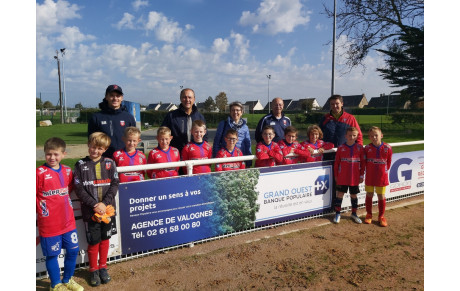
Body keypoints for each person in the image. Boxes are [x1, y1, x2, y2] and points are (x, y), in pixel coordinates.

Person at [36, 138, 84, 291]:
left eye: (56, 154)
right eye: (48, 154)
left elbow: (69, 189)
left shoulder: (67, 170)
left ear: (64, 154)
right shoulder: (38, 173)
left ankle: (68, 279)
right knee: (52, 255)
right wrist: (43, 209)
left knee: (72, 251)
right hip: (49, 224)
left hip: (68, 221)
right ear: (44, 154)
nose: (52, 158)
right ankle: (55, 284)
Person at [74, 132, 119, 287]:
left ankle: (103, 267)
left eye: (99, 148)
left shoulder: (110, 163)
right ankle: (93, 270)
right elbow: (78, 188)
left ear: (105, 149)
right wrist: (94, 205)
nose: (95, 151)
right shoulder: (80, 165)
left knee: (105, 239)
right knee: (94, 242)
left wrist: (104, 204)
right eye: (93, 147)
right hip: (91, 212)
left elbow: (114, 184)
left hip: (108, 210)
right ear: (88, 145)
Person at [88, 84, 136, 158]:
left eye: (118, 96)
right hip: (103, 159)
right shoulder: (96, 117)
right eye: (111, 95)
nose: (115, 98)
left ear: (122, 98)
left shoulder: (129, 117)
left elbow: (134, 138)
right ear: (106, 97)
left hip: (124, 158)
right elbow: (91, 140)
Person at [333, 127, 365, 224]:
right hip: (343, 176)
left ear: (357, 136)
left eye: (354, 135)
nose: (351, 137)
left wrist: (361, 176)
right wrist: (336, 175)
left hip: (354, 177)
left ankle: (354, 214)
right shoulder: (341, 148)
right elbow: (337, 163)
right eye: (350, 135)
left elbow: (363, 164)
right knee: (340, 194)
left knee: (354, 195)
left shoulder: (359, 148)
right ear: (346, 136)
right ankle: (337, 213)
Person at [161, 88, 207, 155]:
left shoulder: (200, 117)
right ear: (180, 99)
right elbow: (162, 135)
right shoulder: (171, 116)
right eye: (184, 97)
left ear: (194, 99)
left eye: (190, 97)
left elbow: (205, 137)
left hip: (195, 156)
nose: (187, 100)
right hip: (176, 156)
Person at [363, 126, 393, 227]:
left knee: (381, 196)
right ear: (369, 137)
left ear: (381, 135)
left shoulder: (387, 148)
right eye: (371, 136)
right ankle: (369, 214)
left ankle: (381, 216)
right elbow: (364, 162)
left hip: (381, 177)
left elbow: (388, 162)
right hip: (370, 176)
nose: (374, 137)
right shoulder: (367, 148)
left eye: (376, 135)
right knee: (369, 194)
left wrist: (383, 171)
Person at [319, 94, 363, 160]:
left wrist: (359, 150)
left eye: (337, 103)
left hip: (345, 154)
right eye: (332, 104)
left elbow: (358, 135)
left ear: (342, 104)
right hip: (327, 154)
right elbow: (318, 135)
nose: (335, 106)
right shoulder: (325, 118)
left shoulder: (350, 118)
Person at [213, 101, 252, 167]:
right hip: (225, 159)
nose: (235, 112)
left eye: (237, 110)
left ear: (242, 112)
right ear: (230, 112)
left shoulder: (245, 127)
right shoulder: (223, 124)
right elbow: (216, 142)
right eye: (233, 110)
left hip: (239, 158)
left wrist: (249, 160)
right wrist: (216, 158)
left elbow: (247, 144)